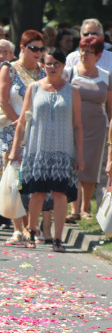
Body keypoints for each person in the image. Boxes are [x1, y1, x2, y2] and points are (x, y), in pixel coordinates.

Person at [9, 48, 83, 252]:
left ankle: (58, 238)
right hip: (37, 148)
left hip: (63, 150)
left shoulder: (72, 92)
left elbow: (77, 125)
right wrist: (15, 149)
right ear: (43, 65)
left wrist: (80, 154)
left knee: (60, 194)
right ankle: (31, 231)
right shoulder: (34, 88)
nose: (51, 67)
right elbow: (22, 122)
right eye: (48, 63)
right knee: (37, 193)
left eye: (56, 64)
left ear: (63, 66)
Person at [0, 30, 45, 242]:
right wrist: (18, 124)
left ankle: (32, 226)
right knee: (14, 180)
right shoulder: (10, 69)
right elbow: (3, 99)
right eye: (33, 48)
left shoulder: (43, 71)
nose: (38, 53)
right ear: (22, 48)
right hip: (11, 130)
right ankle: (17, 228)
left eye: (41, 49)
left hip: (38, 133)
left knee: (33, 181)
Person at [65, 35, 110, 221]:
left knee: (90, 167)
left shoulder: (106, 76)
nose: (84, 54)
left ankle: (85, 209)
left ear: (98, 55)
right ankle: (73, 209)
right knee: (72, 165)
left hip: (97, 127)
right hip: (72, 125)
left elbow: (110, 106)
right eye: (82, 50)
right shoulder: (70, 73)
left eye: (88, 51)